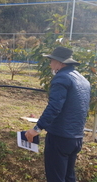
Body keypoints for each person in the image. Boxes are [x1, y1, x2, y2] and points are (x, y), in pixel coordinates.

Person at [25, 47, 91, 182]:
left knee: (56, 177)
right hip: (76, 137)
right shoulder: (83, 80)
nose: (50, 64)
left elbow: (54, 107)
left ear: (60, 63)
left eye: (51, 61)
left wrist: (36, 129)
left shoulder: (61, 78)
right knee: (68, 176)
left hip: (59, 137)